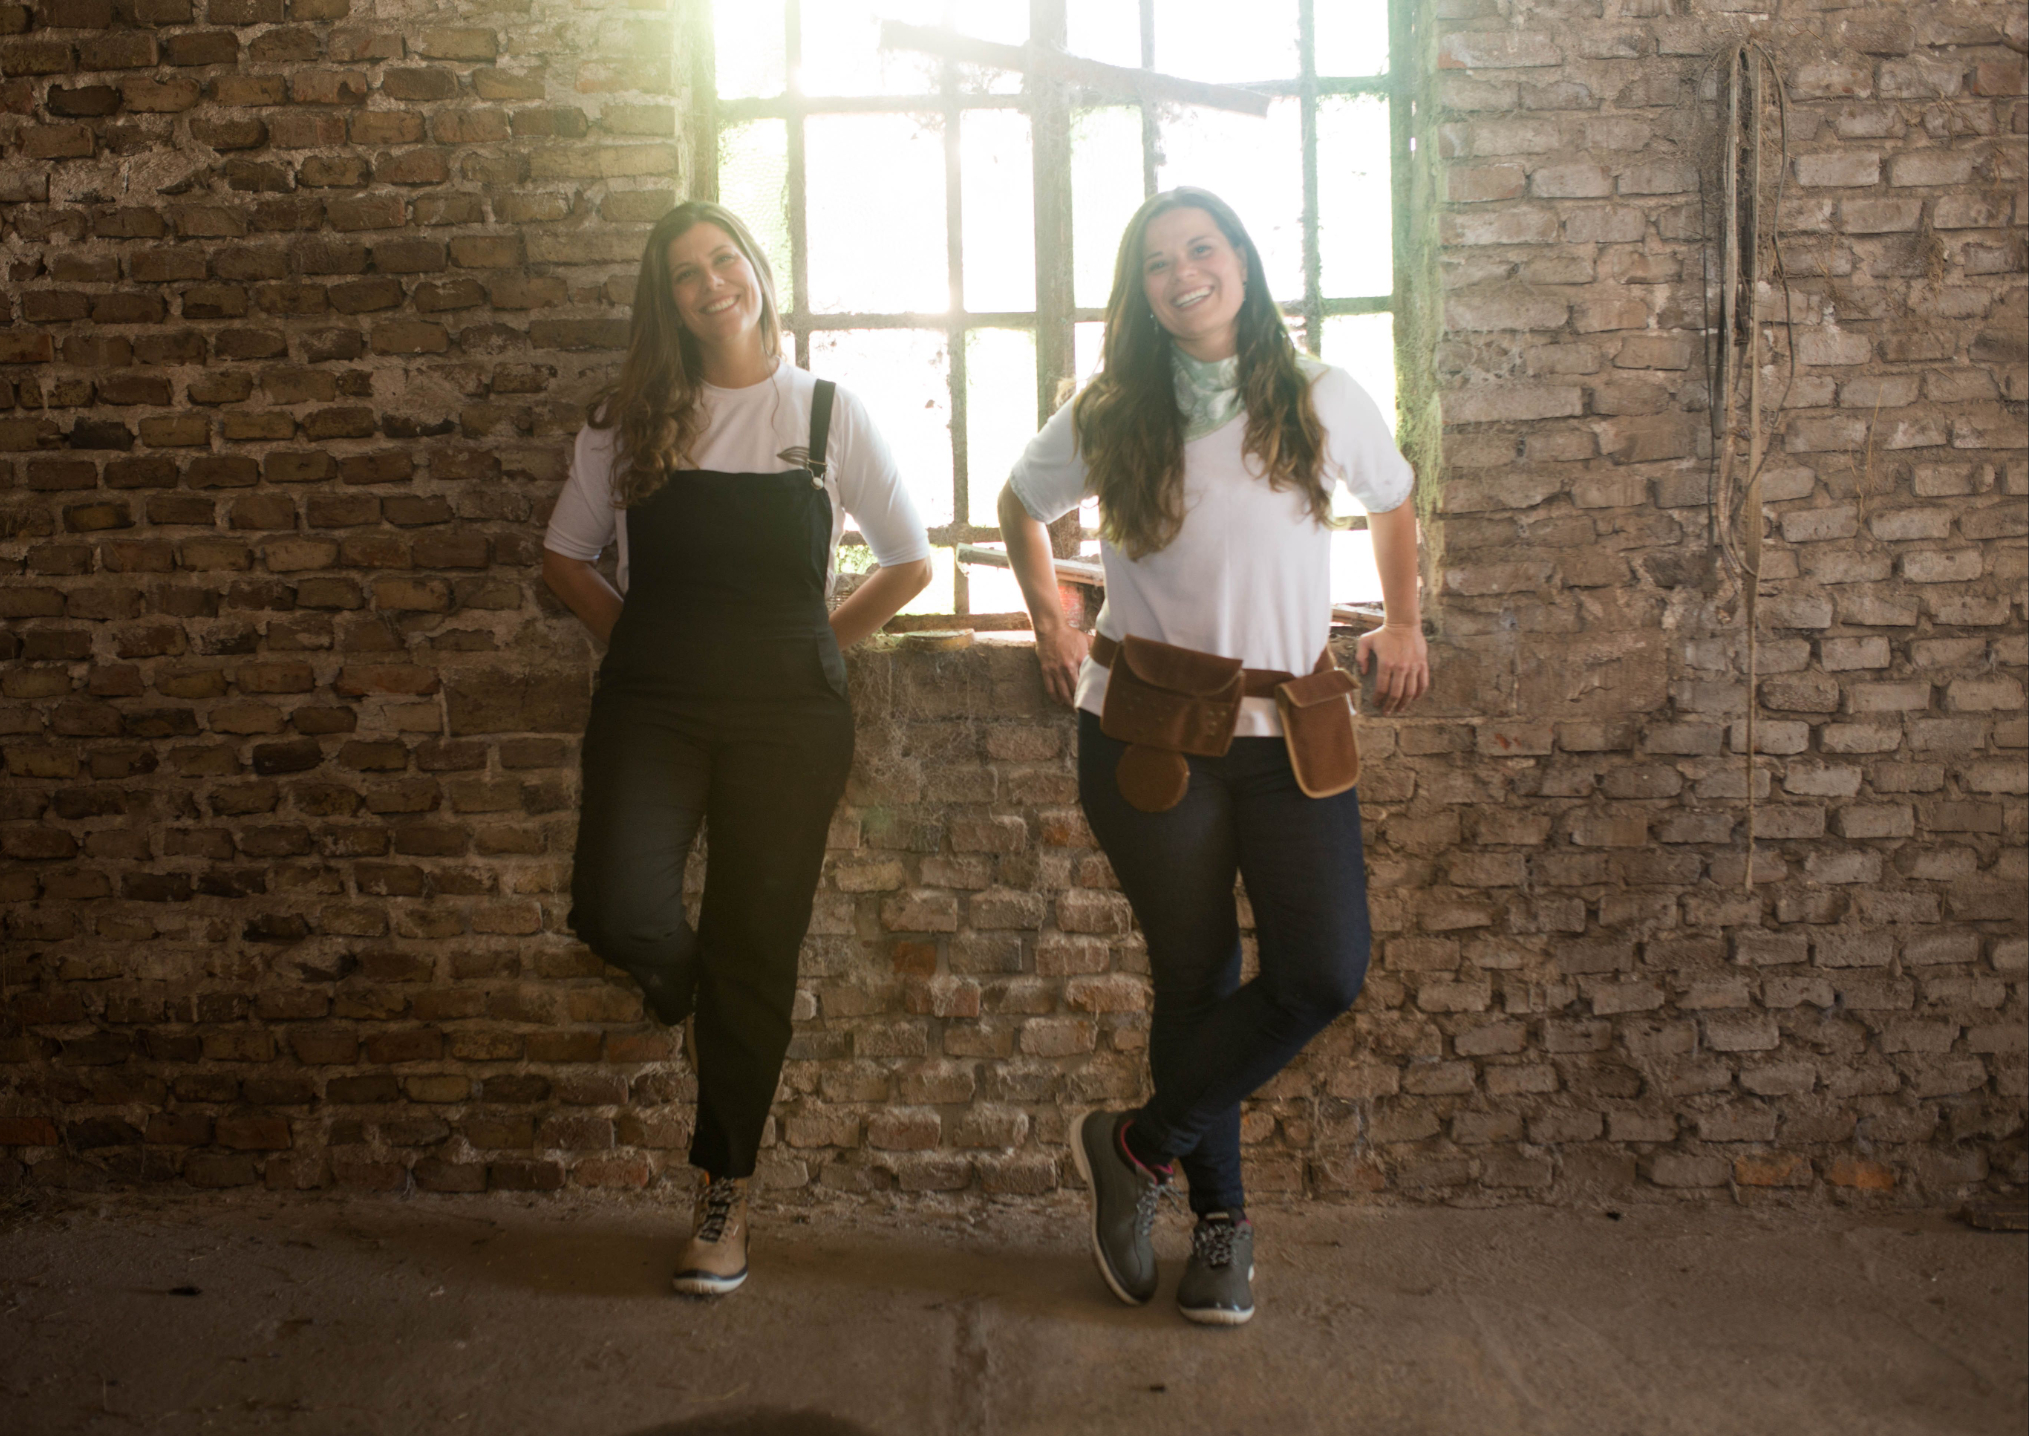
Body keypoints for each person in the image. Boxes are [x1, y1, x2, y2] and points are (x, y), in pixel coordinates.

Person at [997, 188, 1429, 1326]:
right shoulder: (1112, 411)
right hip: (1148, 733)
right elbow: (1021, 500)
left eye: (1201, 248)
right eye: (1158, 263)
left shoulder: (1318, 394)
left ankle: (1134, 1147)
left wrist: (1404, 622)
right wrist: (1050, 621)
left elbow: (1393, 500)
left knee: (1322, 971)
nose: (1183, 272)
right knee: (1196, 979)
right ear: (1140, 293)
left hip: (1289, 731)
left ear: (1240, 258)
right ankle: (1221, 1225)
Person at [541, 201, 931, 1296]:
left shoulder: (825, 412)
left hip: (788, 715)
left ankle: (724, 1192)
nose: (711, 283)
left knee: (758, 949)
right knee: (615, 905)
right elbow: (565, 557)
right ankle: (688, 986)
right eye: (685, 273)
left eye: (724, 260)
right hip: (654, 704)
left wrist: (817, 646)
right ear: (664, 301)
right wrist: (638, 641)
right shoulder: (627, 419)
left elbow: (908, 563)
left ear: (757, 269)